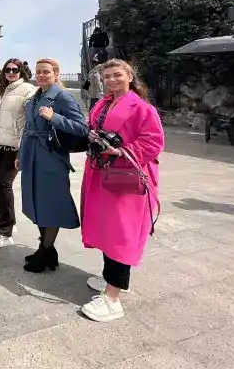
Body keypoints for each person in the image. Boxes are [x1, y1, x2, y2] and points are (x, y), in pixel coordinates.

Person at [80, 59, 164, 322]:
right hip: (102, 174)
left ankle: (112, 298)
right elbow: (94, 128)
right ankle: (112, 278)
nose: (112, 80)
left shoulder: (142, 108)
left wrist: (119, 150)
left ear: (129, 76)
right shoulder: (103, 104)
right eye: (107, 76)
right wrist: (93, 136)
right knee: (108, 229)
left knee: (121, 233)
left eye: (117, 75)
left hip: (125, 179)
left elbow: (154, 142)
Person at [17, 57, 88, 273]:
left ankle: (45, 251)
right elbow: (27, 129)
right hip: (32, 155)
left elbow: (82, 128)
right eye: (38, 71)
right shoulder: (34, 97)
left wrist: (54, 117)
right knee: (37, 202)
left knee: (51, 205)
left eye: (46, 72)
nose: (41, 75)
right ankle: (47, 250)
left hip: (51, 157)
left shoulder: (62, 96)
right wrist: (20, 154)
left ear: (56, 74)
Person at [0, 58, 36, 248]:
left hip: (14, 146)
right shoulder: (1, 89)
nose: (11, 73)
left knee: (4, 184)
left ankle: (5, 231)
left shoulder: (28, 90)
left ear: (21, 71)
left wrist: (22, 149)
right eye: (8, 69)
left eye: (15, 69)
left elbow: (29, 122)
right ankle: (5, 218)